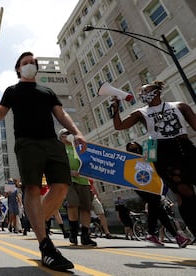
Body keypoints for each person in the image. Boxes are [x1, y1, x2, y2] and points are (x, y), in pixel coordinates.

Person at [0, 51, 87, 272]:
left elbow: (61, 114)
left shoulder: (47, 91)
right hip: (27, 143)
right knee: (32, 188)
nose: (30, 65)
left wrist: (76, 132)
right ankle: (45, 245)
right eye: (25, 63)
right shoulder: (12, 91)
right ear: (19, 68)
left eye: (33, 62)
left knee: (61, 187)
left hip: (51, 142)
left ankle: (36, 220)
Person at [112, 80, 196, 239]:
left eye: (145, 91)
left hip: (185, 148)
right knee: (184, 194)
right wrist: (116, 109)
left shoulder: (180, 106)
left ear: (157, 92)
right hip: (164, 153)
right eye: (141, 93)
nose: (142, 95)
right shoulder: (140, 113)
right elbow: (120, 126)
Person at [126, 141, 191, 248]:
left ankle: (155, 234)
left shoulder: (147, 157)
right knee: (156, 206)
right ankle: (169, 236)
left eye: (136, 147)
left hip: (152, 186)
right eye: (131, 149)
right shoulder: (129, 161)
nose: (134, 150)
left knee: (158, 209)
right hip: (140, 187)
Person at [58, 128, 97, 246]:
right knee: (73, 204)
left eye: (71, 134)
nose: (70, 136)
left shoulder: (80, 148)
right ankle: (73, 233)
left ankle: (85, 235)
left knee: (86, 207)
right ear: (61, 137)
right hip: (69, 180)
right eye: (67, 134)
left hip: (84, 181)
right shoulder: (60, 150)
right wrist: (70, 172)